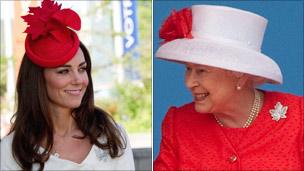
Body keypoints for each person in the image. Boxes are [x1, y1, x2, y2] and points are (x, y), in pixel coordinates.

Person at [154, 4, 303, 170]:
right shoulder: (179, 124)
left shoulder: (299, 117)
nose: (189, 82)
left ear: (238, 73)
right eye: (188, 69)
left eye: (201, 71)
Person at [0, 0, 135, 170]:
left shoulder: (112, 136)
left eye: (82, 68)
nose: (78, 80)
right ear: (37, 80)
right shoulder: (12, 152)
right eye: (64, 71)